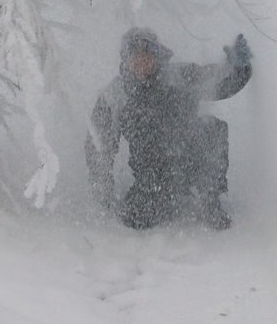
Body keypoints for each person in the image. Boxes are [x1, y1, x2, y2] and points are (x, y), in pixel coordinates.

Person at [85, 27, 252, 230]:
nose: (141, 62)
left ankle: (209, 201)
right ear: (125, 60)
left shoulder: (180, 76)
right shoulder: (115, 96)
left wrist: (238, 67)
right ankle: (155, 198)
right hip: (152, 175)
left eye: (146, 55)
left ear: (157, 55)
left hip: (190, 160)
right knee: (136, 221)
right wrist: (103, 191)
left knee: (212, 128)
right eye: (134, 57)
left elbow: (219, 83)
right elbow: (98, 146)